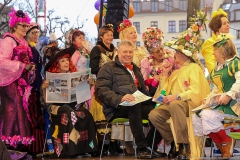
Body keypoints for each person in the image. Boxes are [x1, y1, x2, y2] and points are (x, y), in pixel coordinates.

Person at [148, 20, 210, 159]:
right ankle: (175, 142)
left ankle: (184, 146)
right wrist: (164, 75)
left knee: (175, 104)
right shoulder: (175, 72)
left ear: (183, 54)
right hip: (174, 104)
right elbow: (163, 92)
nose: (173, 53)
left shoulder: (194, 68)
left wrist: (177, 97)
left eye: (176, 51)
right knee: (154, 115)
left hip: (188, 104)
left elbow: (195, 90)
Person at [95, 40, 157, 159]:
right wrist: (120, 98)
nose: (128, 54)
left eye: (130, 52)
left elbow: (143, 91)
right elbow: (101, 91)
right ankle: (141, 148)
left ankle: (150, 145)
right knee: (133, 105)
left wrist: (156, 100)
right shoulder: (108, 67)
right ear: (118, 52)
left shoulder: (136, 69)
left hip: (137, 104)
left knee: (160, 112)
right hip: (115, 108)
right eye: (125, 52)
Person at [41, 47, 98, 158]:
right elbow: (44, 102)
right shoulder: (48, 79)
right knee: (68, 113)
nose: (66, 62)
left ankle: (90, 147)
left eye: (67, 60)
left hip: (74, 105)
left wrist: (89, 84)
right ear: (57, 64)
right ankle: (69, 149)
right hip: (57, 108)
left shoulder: (75, 75)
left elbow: (82, 96)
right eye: (63, 61)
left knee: (87, 114)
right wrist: (44, 88)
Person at [192, 34, 240, 158]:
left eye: (215, 50)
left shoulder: (235, 63)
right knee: (196, 118)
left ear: (223, 51)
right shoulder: (216, 70)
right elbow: (214, 89)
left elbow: (239, 82)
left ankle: (226, 142)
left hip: (234, 103)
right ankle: (222, 144)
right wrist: (207, 99)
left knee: (207, 116)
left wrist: (229, 96)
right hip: (220, 103)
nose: (213, 53)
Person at [0, 9, 35, 148]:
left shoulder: (24, 43)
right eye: (23, 26)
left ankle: (19, 144)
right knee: (13, 108)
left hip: (21, 82)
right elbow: (1, 61)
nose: (26, 28)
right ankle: (7, 143)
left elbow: (26, 63)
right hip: (8, 81)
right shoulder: (8, 40)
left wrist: (30, 69)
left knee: (22, 109)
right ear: (14, 26)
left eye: (27, 25)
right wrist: (21, 66)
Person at [89, 24, 120, 155]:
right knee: (100, 115)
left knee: (114, 114)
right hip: (101, 85)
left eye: (111, 35)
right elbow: (93, 68)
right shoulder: (96, 49)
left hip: (114, 86)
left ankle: (114, 144)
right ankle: (99, 145)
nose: (110, 37)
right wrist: (108, 69)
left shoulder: (115, 50)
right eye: (107, 34)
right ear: (101, 36)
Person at [25, 22, 45, 156]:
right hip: (29, 86)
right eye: (33, 33)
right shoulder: (26, 48)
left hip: (36, 85)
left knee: (36, 114)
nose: (36, 35)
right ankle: (31, 147)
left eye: (37, 33)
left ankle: (36, 147)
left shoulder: (34, 48)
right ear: (27, 34)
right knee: (32, 116)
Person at [201, 8, 230, 74]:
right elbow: (211, 66)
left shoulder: (229, 41)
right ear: (217, 27)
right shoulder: (209, 43)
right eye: (224, 23)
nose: (228, 25)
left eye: (228, 22)